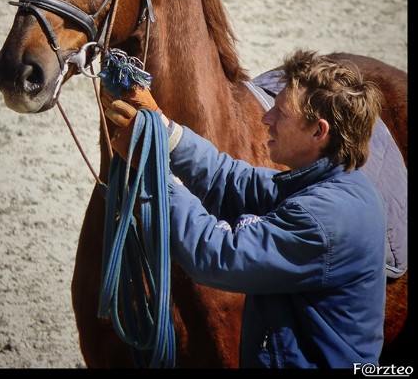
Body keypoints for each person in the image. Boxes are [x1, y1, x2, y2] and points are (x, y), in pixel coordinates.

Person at [101, 48, 387, 369]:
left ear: (318, 132)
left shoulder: (324, 218)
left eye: (281, 113)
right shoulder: (326, 184)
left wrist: (153, 171)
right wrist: (164, 129)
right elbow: (230, 180)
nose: (267, 118)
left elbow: (219, 255)